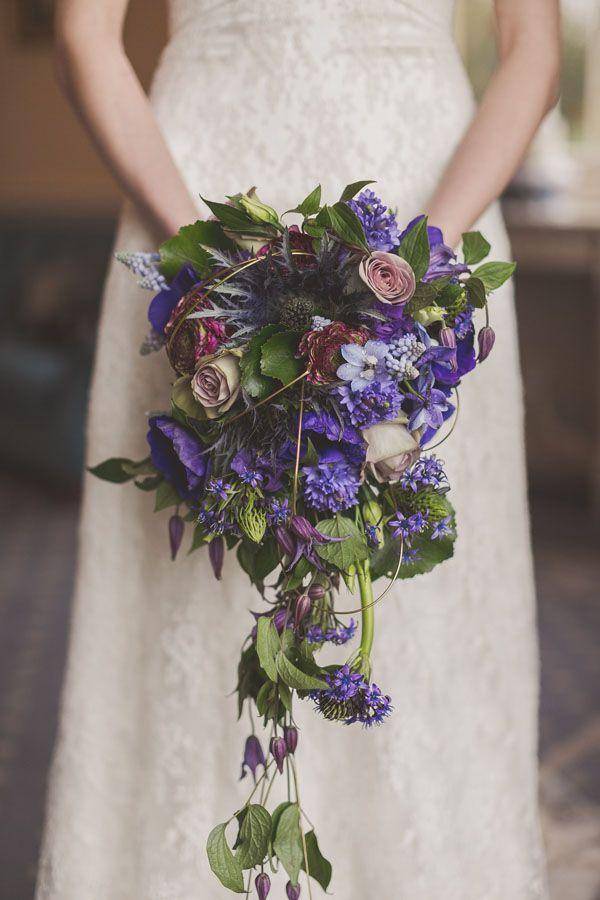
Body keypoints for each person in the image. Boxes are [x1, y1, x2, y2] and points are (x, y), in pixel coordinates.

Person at [37, 1, 560, 897]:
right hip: (196, 199)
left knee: (421, 609)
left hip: (423, 198)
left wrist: (418, 266)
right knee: (188, 599)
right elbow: (84, 33)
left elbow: (533, 52)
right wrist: (205, 267)